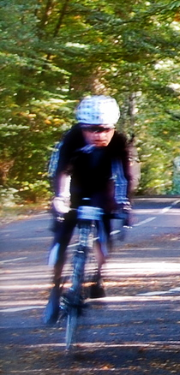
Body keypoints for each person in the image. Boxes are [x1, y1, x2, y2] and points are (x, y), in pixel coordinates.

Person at [44, 95, 135, 325]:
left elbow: (124, 176)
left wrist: (124, 205)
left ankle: (97, 275)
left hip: (102, 188)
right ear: (82, 128)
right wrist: (60, 199)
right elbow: (62, 171)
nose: (99, 135)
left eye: (105, 129)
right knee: (61, 237)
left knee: (104, 236)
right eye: (92, 130)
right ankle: (55, 290)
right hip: (75, 186)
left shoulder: (118, 143)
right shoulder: (72, 139)